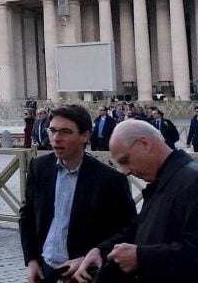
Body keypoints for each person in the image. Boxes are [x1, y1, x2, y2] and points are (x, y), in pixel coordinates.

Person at [18, 105, 136, 283]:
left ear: (85, 136)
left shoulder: (109, 179)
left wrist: (92, 256)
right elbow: (27, 215)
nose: (56, 138)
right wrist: (32, 260)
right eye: (53, 130)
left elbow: (128, 229)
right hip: (45, 267)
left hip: (85, 272)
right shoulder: (38, 167)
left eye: (65, 132)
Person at [73, 120, 198, 282]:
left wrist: (141, 256)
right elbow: (139, 229)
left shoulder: (191, 181)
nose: (126, 171)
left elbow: (193, 250)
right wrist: (100, 250)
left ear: (143, 143)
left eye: (125, 161)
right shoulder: (164, 178)